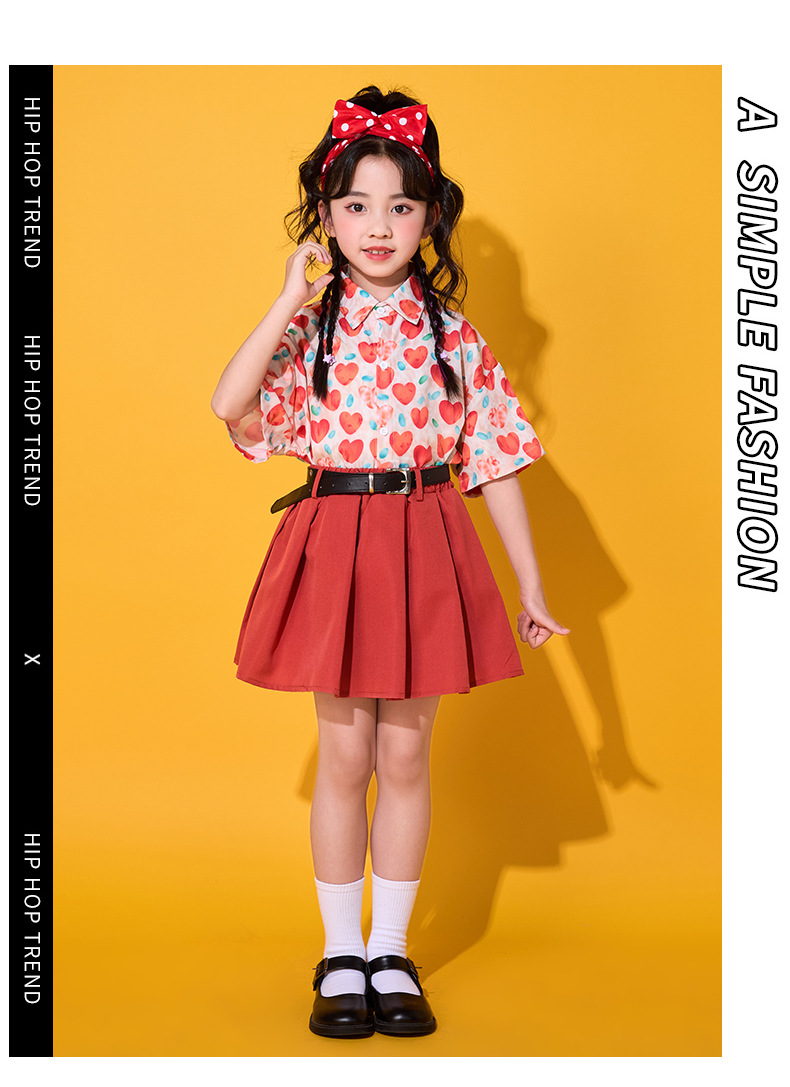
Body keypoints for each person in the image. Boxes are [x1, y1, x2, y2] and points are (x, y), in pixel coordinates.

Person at [211, 85, 569, 1040]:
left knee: (406, 752)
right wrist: (287, 298)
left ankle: (391, 950)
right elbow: (229, 404)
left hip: (426, 536)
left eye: (401, 206)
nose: (378, 226)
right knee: (346, 752)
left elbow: (497, 461)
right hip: (336, 538)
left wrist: (531, 584)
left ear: (429, 216)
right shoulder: (312, 327)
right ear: (326, 217)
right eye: (356, 205)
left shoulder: (453, 334)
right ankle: (340, 952)